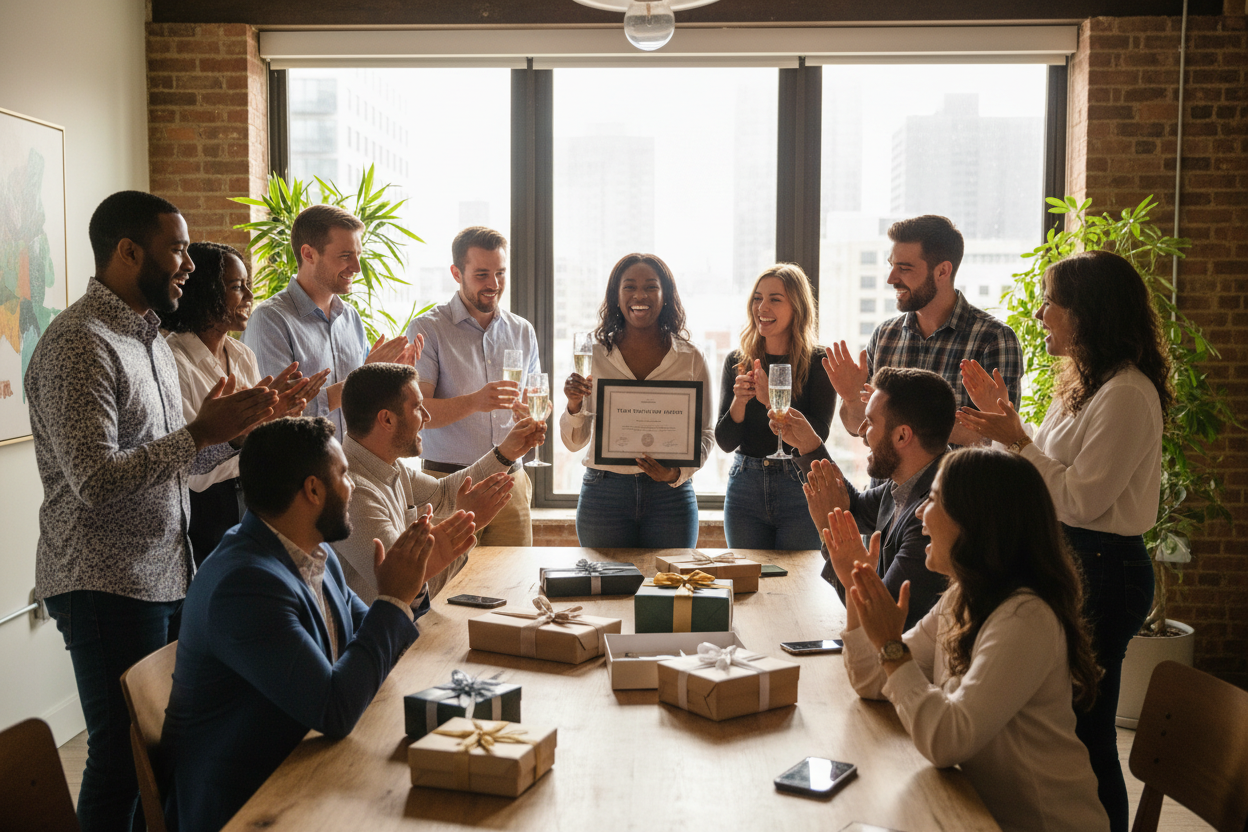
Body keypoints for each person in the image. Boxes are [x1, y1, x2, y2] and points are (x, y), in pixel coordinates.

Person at [25, 191, 279, 832]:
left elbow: (181, 468)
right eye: (177, 248)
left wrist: (237, 428)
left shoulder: (152, 342)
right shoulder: (78, 343)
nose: (190, 264)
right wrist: (198, 433)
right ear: (127, 251)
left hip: (167, 572)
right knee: (119, 757)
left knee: (160, 753)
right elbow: (93, 481)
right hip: (106, 581)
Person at [162, 417, 474, 832]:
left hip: (307, 762)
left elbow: (373, 647)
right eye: (344, 474)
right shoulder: (244, 584)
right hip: (248, 805)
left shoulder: (312, 554)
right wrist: (394, 598)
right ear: (312, 489)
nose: (354, 487)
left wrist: (404, 591)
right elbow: (334, 709)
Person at [955, 250, 1169, 832]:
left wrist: (1016, 436)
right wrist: (1001, 428)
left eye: (1053, 302)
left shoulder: (1125, 393)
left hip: (1105, 566)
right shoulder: (1081, 385)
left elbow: (1082, 499)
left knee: (1087, 728)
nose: (1042, 313)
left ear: (1086, 312)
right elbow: (1039, 477)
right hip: (1074, 557)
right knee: (1071, 720)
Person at [839, 448, 1109, 832]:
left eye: (932, 499)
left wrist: (891, 647)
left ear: (975, 520)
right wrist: (858, 589)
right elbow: (871, 682)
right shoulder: (961, 596)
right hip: (973, 810)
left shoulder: (1025, 618)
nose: (919, 514)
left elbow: (947, 740)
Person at [164, 241, 330, 565]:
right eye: (237, 287)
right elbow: (188, 464)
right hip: (198, 510)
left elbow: (258, 443)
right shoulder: (173, 359)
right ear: (203, 290)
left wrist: (279, 417)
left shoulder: (242, 355)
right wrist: (247, 429)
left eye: (248, 286)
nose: (249, 297)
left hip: (249, 498)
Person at [336, 362, 549, 604]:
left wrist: (505, 453)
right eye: (418, 408)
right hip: (379, 637)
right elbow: (405, 588)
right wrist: (470, 519)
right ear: (386, 420)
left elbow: (444, 494)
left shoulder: (388, 466)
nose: (427, 418)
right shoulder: (353, 492)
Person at [823, 215, 1022, 450]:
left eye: (904, 268)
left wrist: (900, 417)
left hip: (952, 485)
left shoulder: (994, 339)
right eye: (891, 265)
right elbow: (858, 428)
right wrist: (851, 398)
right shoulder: (885, 335)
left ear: (942, 271)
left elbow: (999, 437)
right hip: (886, 487)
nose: (891, 279)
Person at [775, 367, 953, 629]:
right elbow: (854, 508)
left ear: (902, 435)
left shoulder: (932, 515)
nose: (860, 431)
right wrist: (810, 446)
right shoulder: (906, 483)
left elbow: (880, 616)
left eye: (869, 422)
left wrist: (829, 529)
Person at [561, 253, 715, 548]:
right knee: (604, 591)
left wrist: (675, 473)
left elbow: (706, 433)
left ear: (665, 295)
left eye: (651, 287)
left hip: (669, 494)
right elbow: (573, 442)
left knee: (670, 589)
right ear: (616, 297)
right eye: (629, 287)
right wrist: (573, 405)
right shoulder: (591, 355)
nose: (639, 295)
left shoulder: (691, 357)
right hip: (604, 493)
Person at [406, 227, 540, 546]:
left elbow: (537, 400)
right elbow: (418, 411)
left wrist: (533, 411)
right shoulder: (428, 328)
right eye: (482, 274)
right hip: (447, 484)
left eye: (500, 273)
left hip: (511, 482)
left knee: (515, 584)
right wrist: (475, 402)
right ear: (456, 273)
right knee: (447, 590)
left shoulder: (522, 330)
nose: (493, 284)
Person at [242, 204, 418, 439]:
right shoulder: (270, 320)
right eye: (346, 256)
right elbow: (277, 413)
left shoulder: (351, 317)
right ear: (308, 254)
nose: (356, 267)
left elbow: (366, 401)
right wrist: (363, 379)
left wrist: (389, 375)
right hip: (298, 471)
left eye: (358, 255)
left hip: (349, 466)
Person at [714, 263, 835, 549]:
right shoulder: (737, 360)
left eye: (774, 299)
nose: (762, 307)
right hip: (745, 487)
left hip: (800, 486)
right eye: (757, 298)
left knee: (797, 585)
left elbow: (818, 436)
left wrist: (772, 402)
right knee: (747, 585)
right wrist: (739, 403)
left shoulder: (820, 362)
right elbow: (725, 442)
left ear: (797, 307)